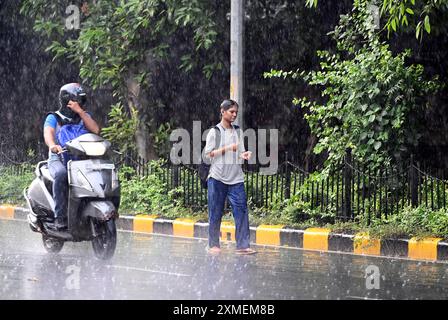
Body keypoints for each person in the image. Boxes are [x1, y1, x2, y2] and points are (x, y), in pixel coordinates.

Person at [43, 83, 100, 230]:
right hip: (59, 158)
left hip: (81, 160)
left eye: (81, 100)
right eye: (77, 100)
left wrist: (80, 112)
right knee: (62, 175)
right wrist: (52, 146)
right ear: (67, 100)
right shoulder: (54, 117)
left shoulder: (84, 116)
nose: (80, 103)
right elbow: (48, 133)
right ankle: (60, 217)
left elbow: (95, 130)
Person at [203, 99, 256, 255]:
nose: (234, 115)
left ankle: (243, 245)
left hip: (236, 178)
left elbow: (239, 153)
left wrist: (243, 155)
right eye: (231, 112)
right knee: (215, 212)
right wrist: (228, 148)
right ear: (222, 111)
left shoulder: (238, 131)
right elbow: (208, 155)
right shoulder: (215, 132)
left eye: (236, 112)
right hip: (217, 178)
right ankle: (213, 245)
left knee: (241, 212)